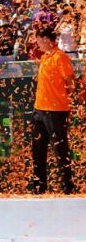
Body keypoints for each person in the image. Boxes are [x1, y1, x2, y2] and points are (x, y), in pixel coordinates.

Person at [32, 26, 75, 195]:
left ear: (48, 40)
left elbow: (70, 82)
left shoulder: (61, 57)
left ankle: (67, 187)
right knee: (38, 150)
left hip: (56, 111)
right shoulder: (44, 57)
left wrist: (65, 99)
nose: (37, 44)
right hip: (39, 110)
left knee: (60, 149)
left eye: (39, 40)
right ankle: (39, 187)